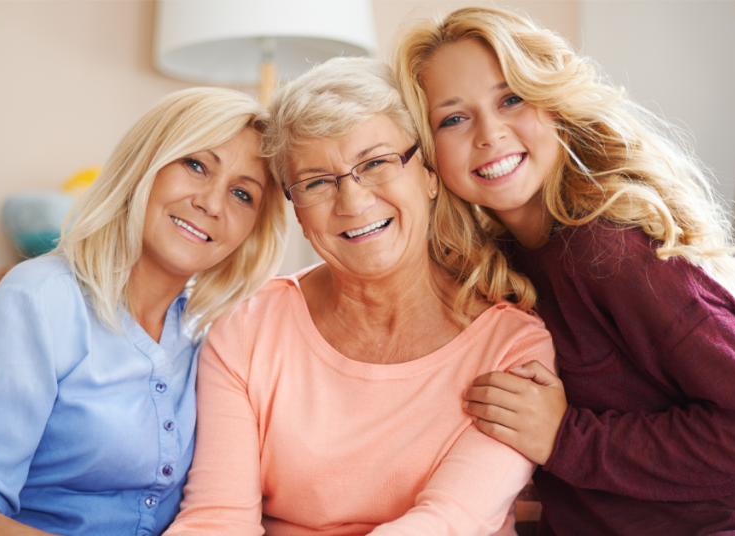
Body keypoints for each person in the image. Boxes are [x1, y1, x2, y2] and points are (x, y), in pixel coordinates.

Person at [393, 6, 735, 535]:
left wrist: (565, 437)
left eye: (511, 98)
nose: (489, 133)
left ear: (553, 104)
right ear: (429, 157)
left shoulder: (614, 251)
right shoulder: (498, 269)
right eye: (453, 118)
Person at [162, 57, 554, 536]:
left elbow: (448, 522)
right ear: (297, 213)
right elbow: (217, 520)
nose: (352, 201)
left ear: (429, 175)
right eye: (316, 183)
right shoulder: (245, 328)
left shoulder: (513, 347)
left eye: (376, 164)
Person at [0, 87, 287, 536]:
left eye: (243, 194)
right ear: (144, 163)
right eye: (196, 165)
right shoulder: (39, 300)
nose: (212, 203)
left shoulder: (213, 338)